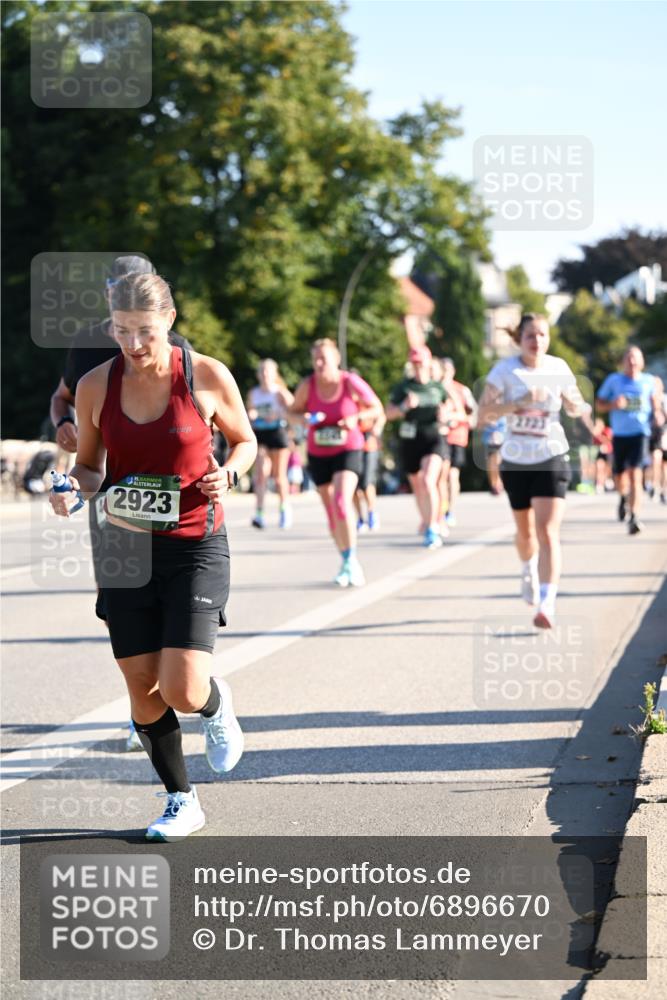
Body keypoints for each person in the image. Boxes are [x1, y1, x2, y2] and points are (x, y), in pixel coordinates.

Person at [49, 272, 257, 840]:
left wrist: (230, 473)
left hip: (194, 542)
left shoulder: (206, 375)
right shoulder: (96, 384)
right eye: (121, 331)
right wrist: (71, 487)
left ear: (168, 319)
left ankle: (215, 707)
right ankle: (179, 799)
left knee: (183, 689)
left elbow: (245, 440)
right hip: (122, 545)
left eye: (143, 330)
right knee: (141, 685)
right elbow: (91, 467)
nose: (133, 344)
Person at [49, 254, 191, 752]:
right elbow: (62, 396)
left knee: (167, 610)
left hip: (170, 505)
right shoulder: (89, 342)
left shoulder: (175, 347)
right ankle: (143, 706)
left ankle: (181, 694)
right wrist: (63, 424)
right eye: (113, 288)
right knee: (121, 610)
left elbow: (199, 418)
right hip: (109, 497)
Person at [478, 313, 594, 629]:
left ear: (548, 338)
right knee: (526, 533)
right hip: (516, 460)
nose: (537, 341)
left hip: (551, 456)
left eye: (542, 335)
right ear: (520, 338)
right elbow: (483, 416)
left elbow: (576, 406)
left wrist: (574, 404)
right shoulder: (504, 371)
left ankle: (547, 602)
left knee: (547, 531)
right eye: (530, 335)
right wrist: (518, 403)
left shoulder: (558, 368)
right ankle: (527, 567)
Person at [291, 338, 382, 587]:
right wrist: (304, 418)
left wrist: (356, 417)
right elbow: (291, 411)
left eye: (324, 359)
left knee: (342, 501)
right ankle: (345, 560)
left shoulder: (349, 382)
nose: (319, 364)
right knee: (331, 511)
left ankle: (353, 559)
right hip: (318, 453)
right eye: (316, 359)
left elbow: (376, 408)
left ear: (336, 359)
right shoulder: (308, 386)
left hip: (348, 449)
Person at [386, 346, 454, 549]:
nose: (417, 367)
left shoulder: (437, 387)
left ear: (428, 362)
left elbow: (451, 406)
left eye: (421, 363)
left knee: (428, 479)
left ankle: (433, 526)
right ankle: (427, 520)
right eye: (414, 363)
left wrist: (446, 415)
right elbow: (388, 413)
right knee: (417, 486)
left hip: (433, 438)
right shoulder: (403, 388)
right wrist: (404, 407)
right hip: (410, 439)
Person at [597, 347, 664, 534]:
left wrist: (657, 415)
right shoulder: (613, 380)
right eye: (629, 358)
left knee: (636, 474)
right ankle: (623, 497)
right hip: (619, 435)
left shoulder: (648, 381)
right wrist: (613, 404)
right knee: (619, 476)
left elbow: (654, 404)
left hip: (641, 433)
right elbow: (599, 404)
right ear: (623, 362)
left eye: (636, 359)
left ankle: (634, 516)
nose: (632, 362)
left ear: (642, 362)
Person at [246, 359, 294, 529]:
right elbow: (250, 410)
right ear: (258, 374)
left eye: (268, 371)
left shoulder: (279, 392)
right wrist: (252, 414)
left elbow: (294, 410)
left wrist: (279, 414)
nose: (265, 374)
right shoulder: (254, 393)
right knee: (260, 475)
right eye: (262, 371)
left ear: (274, 374)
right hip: (260, 433)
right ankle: (259, 514)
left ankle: (284, 510)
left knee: (279, 476)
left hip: (277, 432)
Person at [438, 357, 476, 530]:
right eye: (442, 369)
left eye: (448, 370)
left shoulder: (462, 390)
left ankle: (450, 511)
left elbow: (474, 416)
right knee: (440, 477)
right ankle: (441, 509)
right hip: (439, 437)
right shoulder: (434, 388)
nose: (445, 373)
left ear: (453, 371)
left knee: (452, 475)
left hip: (457, 437)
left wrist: (456, 418)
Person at [354, 408, 385, 533]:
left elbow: (381, 414)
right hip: (351, 446)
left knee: (367, 483)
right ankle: (360, 518)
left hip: (368, 446)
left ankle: (371, 512)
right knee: (354, 487)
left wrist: (377, 427)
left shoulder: (367, 399)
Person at [481, 417, 506, 495]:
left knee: (498, 461)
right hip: (489, 439)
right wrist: (487, 422)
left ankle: (498, 484)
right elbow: (479, 422)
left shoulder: (505, 407)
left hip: (501, 438)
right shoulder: (487, 407)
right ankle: (493, 484)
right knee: (491, 462)